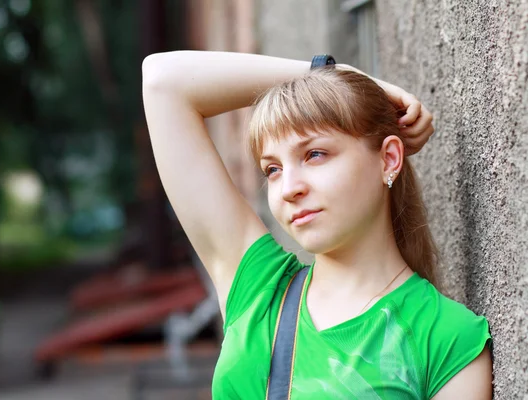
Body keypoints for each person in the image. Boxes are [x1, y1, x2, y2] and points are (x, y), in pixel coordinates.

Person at [142, 51, 492, 399]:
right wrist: (330, 72)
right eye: (273, 169)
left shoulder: (448, 340)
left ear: (388, 159)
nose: (290, 188)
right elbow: (163, 81)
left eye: (314, 155)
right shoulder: (259, 289)